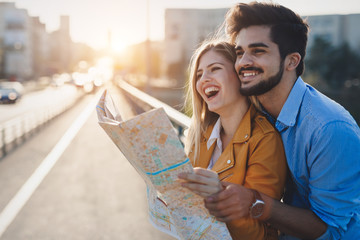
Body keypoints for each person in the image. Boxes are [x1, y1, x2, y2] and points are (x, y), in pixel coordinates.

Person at [199, 2, 360, 240]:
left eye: (258, 51)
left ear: (292, 61)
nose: (243, 62)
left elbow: (334, 231)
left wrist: (255, 203)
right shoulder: (251, 108)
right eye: (240, 52)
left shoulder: (330, 130)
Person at [178, 40, 287, 239]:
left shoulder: (264, 139)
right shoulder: (199, 136)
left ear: (240, 75)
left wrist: (219, 195)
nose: (204, 80)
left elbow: (258, 233)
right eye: (199, 74)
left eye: (214, 69)